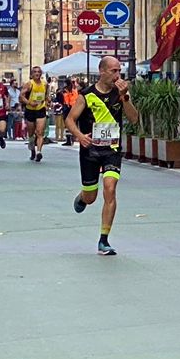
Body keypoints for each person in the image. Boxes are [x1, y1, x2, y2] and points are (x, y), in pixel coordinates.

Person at [70, 57, 135, 255]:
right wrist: (80, 136)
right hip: (90, 150)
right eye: (114, 71)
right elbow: (70, 119)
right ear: (102, 71)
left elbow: (134, 118)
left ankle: (104, 240)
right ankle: (83, 197)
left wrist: (125, 98)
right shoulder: (86, 95)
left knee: (110, 188)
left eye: (119, 71)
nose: (118, 76)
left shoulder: (121, 93)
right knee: (91, 197)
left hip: (112, 150)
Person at [22, 67, 50, 161]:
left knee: (39, 132)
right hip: (30, 110)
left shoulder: (45, 84)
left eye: (38, 72)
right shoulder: (29, 84)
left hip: (40, 109)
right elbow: (21, 96)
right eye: (35, 72)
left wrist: (47, 102)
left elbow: (46, 95)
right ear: (32, 74)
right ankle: (32, 149)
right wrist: (29, 102)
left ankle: (39, 152)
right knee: (31, 133)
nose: (37, 74)